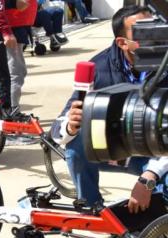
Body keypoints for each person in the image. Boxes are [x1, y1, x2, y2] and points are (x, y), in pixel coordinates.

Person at [52, 5, 168, 212]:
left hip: (153, 153)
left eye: (155, 28)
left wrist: (149, 178)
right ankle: (92, 209)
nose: (154, 36)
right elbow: (57, 131)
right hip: (111, 149)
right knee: (76, 144)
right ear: (123, 43)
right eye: (143, 31)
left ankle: (158, 221)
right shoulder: (97, 69)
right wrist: (70, 126)